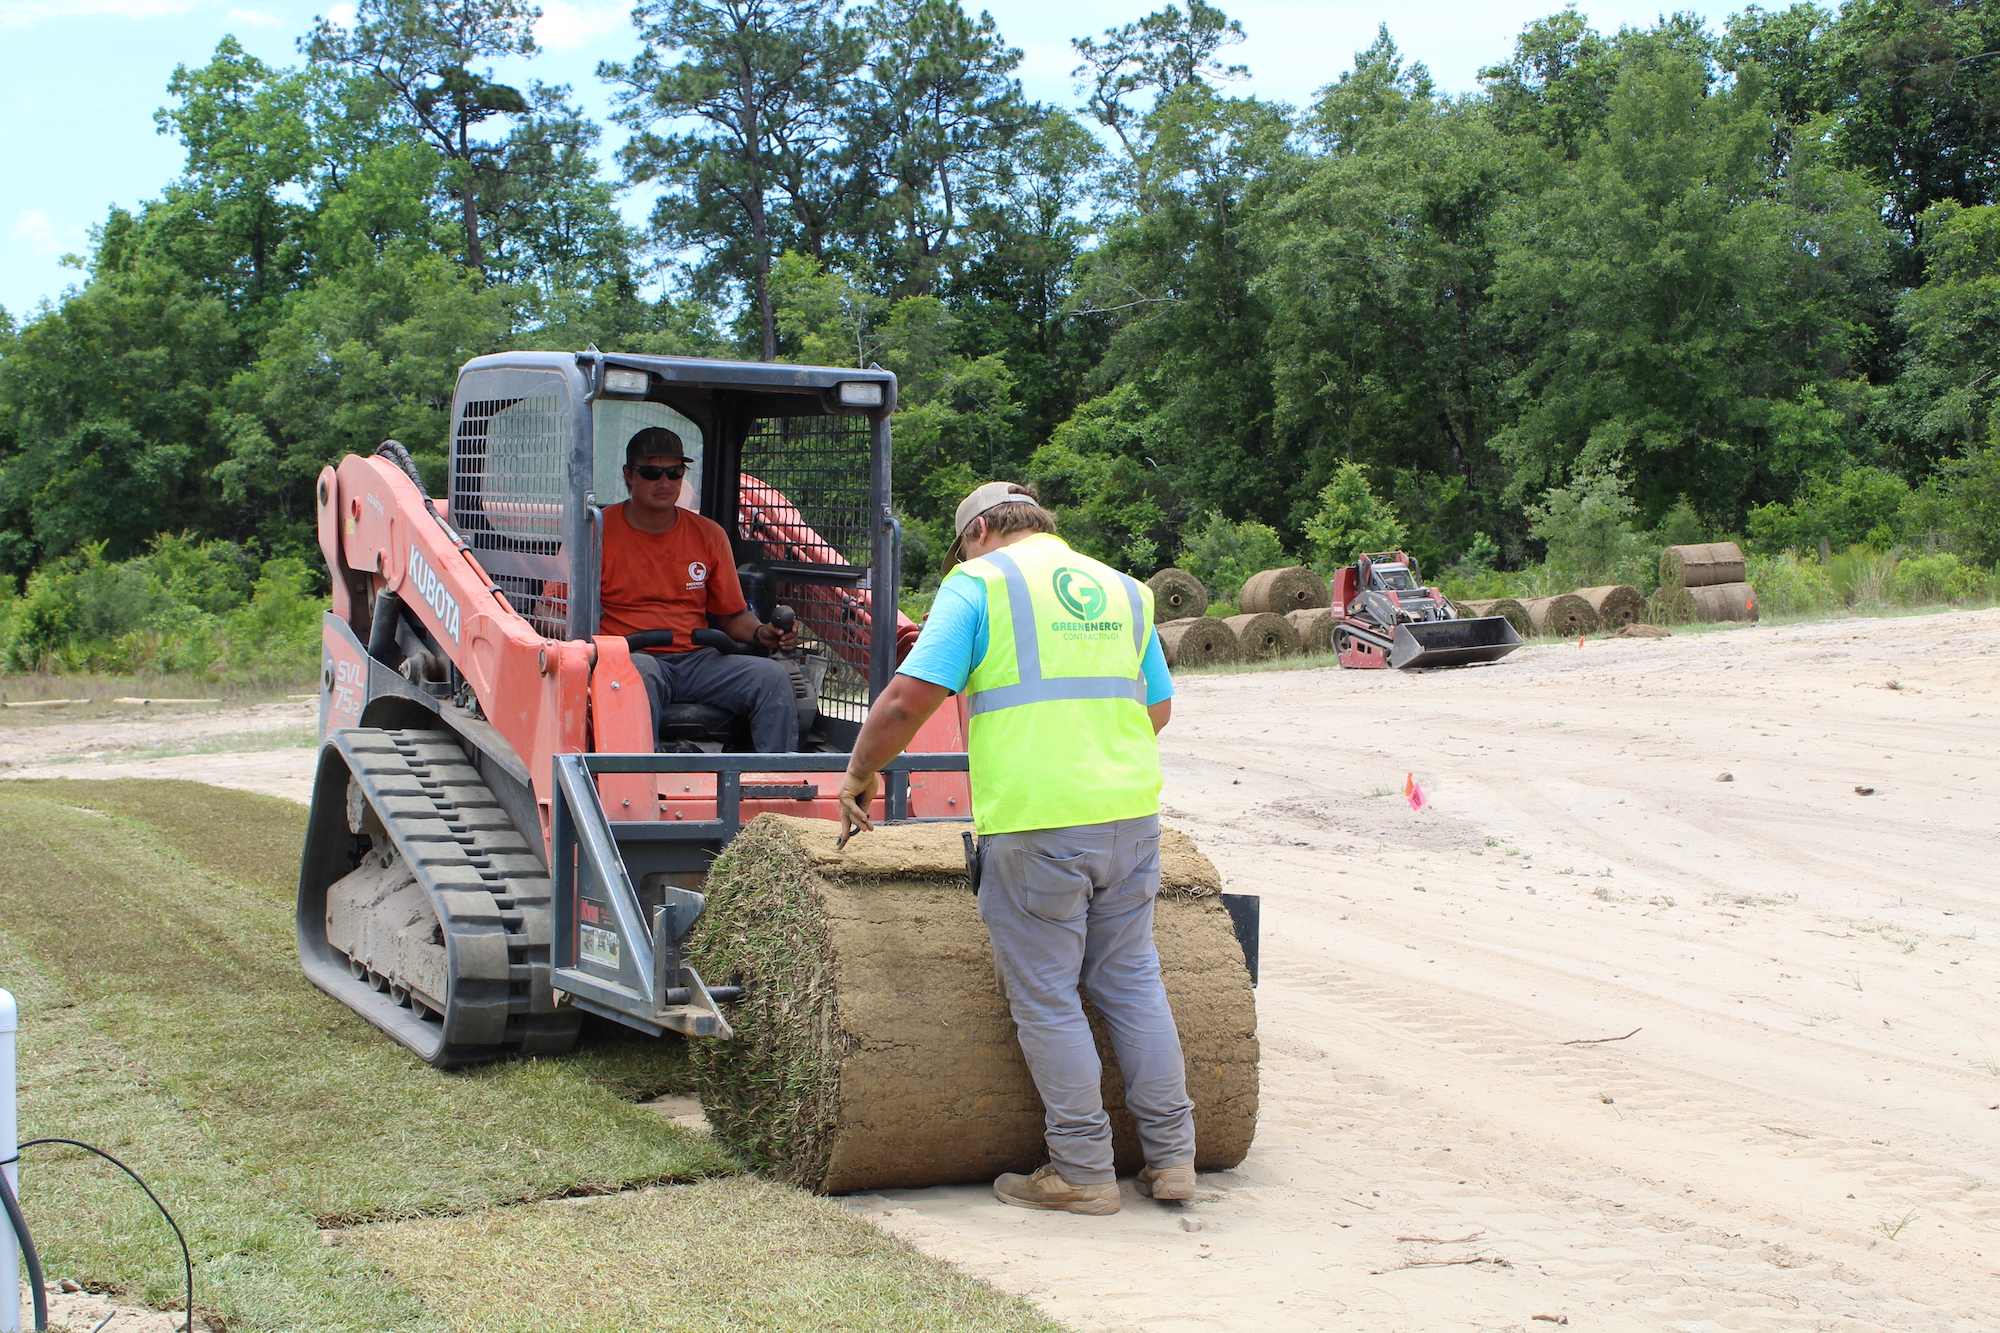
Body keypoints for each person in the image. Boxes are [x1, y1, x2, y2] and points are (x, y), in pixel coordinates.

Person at [836, 481, 1191, 1216]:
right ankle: (1174, 1158)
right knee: (1133, 983)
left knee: (1047, 997)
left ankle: (1084, 1169)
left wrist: (860, 772)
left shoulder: (979, 583)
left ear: (985, 528)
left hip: (1036, 822)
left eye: (964, 540)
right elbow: (1155, 706)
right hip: (1129, 815)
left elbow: (908, 699)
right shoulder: (1123, 587)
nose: (964, 553)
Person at [598, 426, 799, 752]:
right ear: (629, 475)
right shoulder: (598, 533)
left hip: (698, 660)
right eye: (651, 472)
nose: (664, 483)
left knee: (771, 677)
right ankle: (636, 786)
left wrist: (763, 632)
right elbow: (552, 611)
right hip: (633, 658)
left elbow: (732, 615)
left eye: (674, 472)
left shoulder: (709, 534)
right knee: (638, 675)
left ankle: (772, 787)